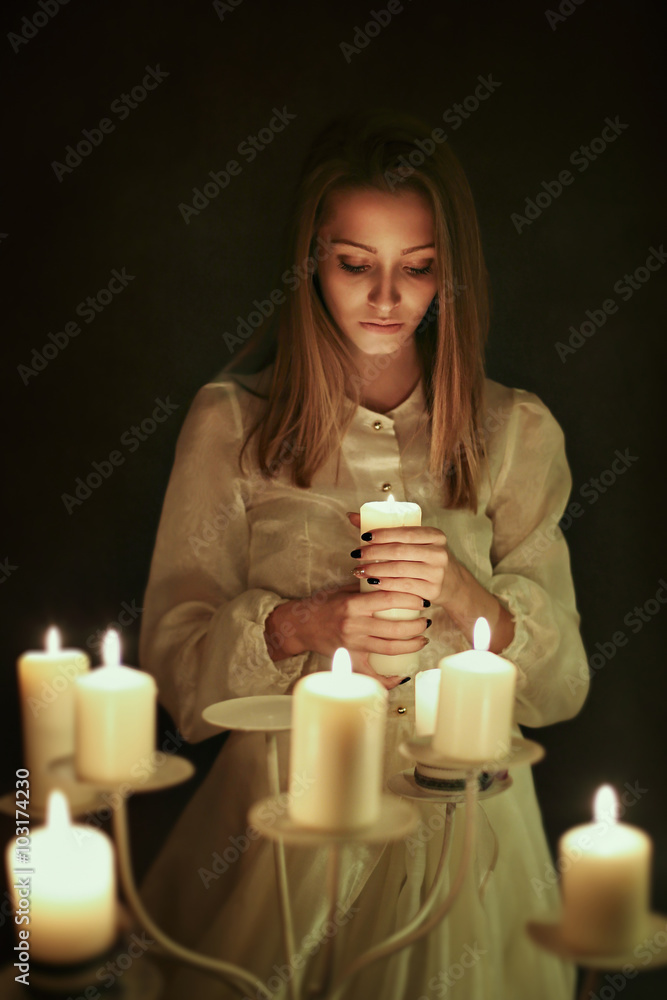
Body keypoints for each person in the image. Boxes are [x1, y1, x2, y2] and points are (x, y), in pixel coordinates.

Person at [138, 109, 589, 999]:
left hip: (469, 832)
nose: (387, 300)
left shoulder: (513, 432)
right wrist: (303, 624)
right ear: (311, 259)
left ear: (449, 276)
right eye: (355, 265)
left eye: (418, 269)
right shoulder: (233, 426)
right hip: (284, 821)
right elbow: (178, 677)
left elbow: (562, 684)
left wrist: (463, 593)